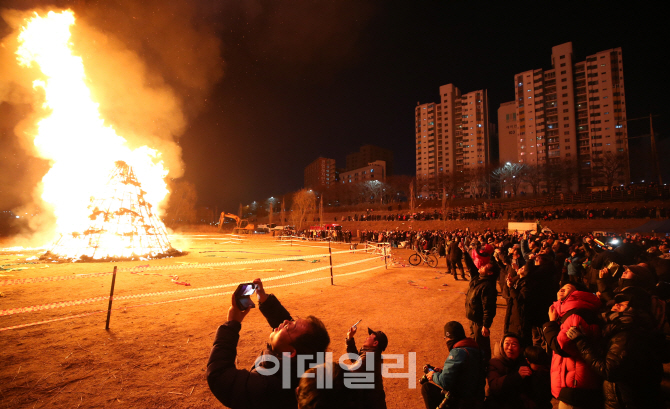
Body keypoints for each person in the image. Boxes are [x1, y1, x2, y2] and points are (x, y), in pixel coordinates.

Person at [207, 278, 331, 409]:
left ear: (290, 352)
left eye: (290, 326)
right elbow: (289, 330)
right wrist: (264, 299)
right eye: (292, 322)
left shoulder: (267, 387)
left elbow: (220, 376)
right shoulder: (309, 361)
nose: (285, 322)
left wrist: (232, 324)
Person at [567, 287, 665, 409]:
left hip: (626, 402)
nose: (616, 305)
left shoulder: (627, 334)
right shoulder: (623, 328)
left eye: (623, 304)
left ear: (636, 310)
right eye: (617, 302)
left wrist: (581, 342)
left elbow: (609, 370)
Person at [542, 283, 602, 408]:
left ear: (577, 293)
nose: (562, 289)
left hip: (575, 385)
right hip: (575, 380)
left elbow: (561, 346)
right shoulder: (571, 312)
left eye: (568, 287)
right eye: (560, 288)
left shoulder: (576, 314)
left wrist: (551, 324)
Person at [421, 321, 485, 409]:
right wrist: (442, 372)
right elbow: (464, 374)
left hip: (461, 402)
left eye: (445, 338)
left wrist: (433, 375)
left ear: (449, 337)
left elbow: (445, 382)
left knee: (427, 388)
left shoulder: (458, 352)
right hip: (476, 400)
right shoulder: (476, 349)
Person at [486, 334, 552, 409]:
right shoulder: (495, 362)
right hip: (499, 402)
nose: (510, 348)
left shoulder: (524, 362)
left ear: (521, 349)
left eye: (514, 344)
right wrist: (517, 376)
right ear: (502, 346)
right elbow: (495, 386)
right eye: (507, 343)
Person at [463, 246, 498, 362]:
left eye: (484, 267)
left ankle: (484, 364)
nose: (481, 266)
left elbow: (489, 307)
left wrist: (486, 325)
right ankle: (476, 362)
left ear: (490, 272)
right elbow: (472, 267)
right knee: (474, 342)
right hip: (473, 318)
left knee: (481, 345)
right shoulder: (478, 278)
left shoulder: (488, 286)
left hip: (479, 321)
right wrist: (465, 253)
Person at [344, 325, 388, 409]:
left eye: (370, 336)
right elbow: (356, 359)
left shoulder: (370, 358)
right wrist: (349, 338)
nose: (367, 337)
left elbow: (350, 374)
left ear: (375, 343)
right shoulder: (371, 354)